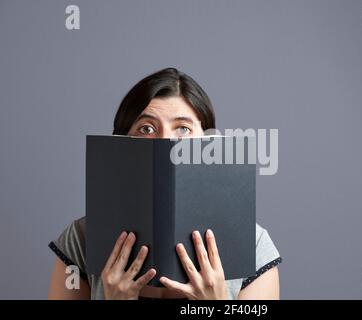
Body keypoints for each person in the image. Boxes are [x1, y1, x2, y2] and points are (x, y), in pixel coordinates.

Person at [48, 67, 282, 300]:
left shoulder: (254, 247)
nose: (165, 142)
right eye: (146, 128)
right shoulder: (80, 241)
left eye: (183, 129)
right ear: (120, 140)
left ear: (208, 143)